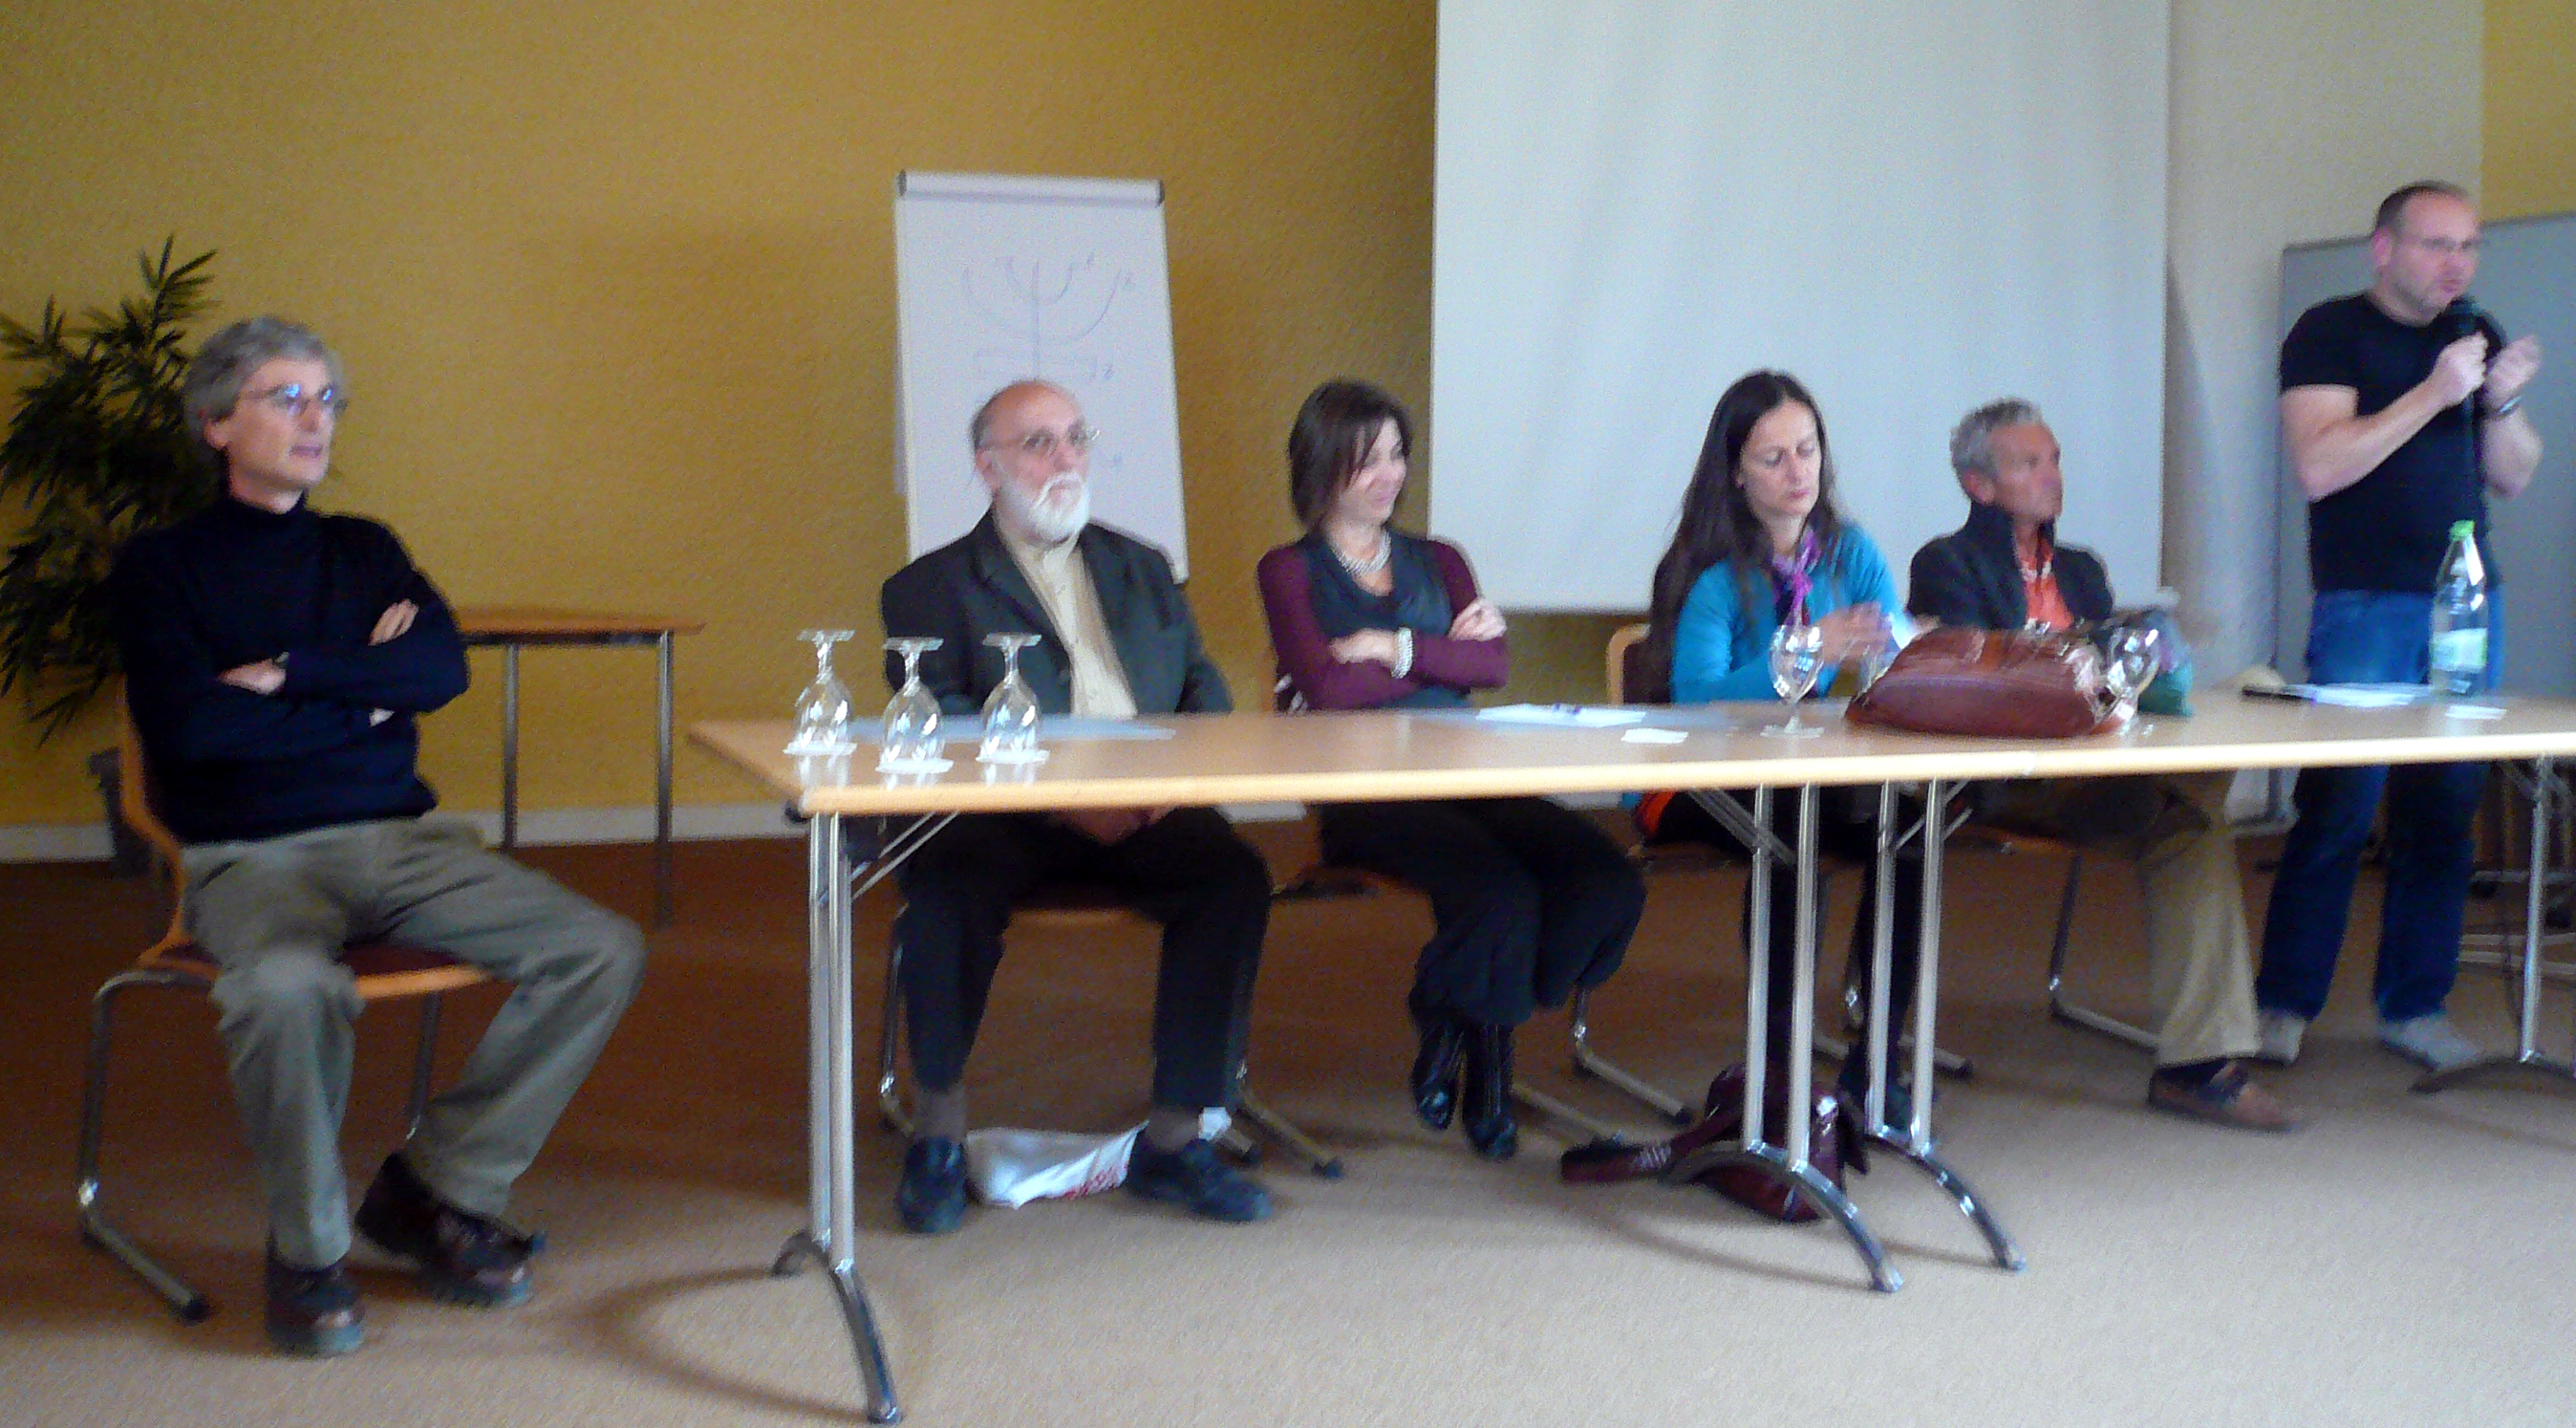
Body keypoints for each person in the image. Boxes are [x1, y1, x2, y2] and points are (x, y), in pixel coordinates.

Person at [107, 317, 648, 1356]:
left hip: (404, 843)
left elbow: (438, 671)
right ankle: (308, 1253)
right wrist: (363, 698)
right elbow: (193, 732)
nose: (316, 419)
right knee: (284, 988)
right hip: (249, 856)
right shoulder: (160, 566)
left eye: (327, 400)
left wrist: (290, 675)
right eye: (286, 398)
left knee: (599, 947)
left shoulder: (364, 549)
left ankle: (438, 1187)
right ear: (216, 422)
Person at [878, 379, 1272, 1233]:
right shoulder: (927, 587)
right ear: (989, 467)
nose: (1065, 460)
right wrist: (1064, 805)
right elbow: (943, 722)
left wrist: (1174, 785)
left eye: (1076, 438)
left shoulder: (1144, 566)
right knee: (943, 891)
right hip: (1004, 814)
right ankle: (937, 1134)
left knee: (1232, 879)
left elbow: (1201, 686)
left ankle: (1176, 1140)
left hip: (1144, 805)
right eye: (1038, 443)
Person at [1256, 379, 1645, 1161]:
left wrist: (1387, 649)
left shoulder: (1439, 559)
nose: (1390, 475)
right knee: (1501, 897)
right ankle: (1488, 1074)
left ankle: (1452, 1016)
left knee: (1607, 884)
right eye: (1368, 459)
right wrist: (1439, 661)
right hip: (1364, 790)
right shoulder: (1288, 570)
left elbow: (1492, 666)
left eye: (1397, 455)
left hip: (1466, 773)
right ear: (1322, 465)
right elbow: (1327, 690)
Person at [1909, 398, 2298, 1131]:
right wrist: (2077, 660)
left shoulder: (2082, 570)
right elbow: (1974, 679)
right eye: (2029, 463)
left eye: (2054, 459)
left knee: (2213, 776)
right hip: (2016, 780)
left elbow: (2118, 673)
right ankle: (2201, 1070)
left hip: (2106, 763)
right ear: (1978, 485)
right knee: (2193, 815)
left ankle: (2196, 1068)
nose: (2052, 476)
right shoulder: (1946, 563)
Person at [2259, 181, 2545, 1071]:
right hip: (2366, 604)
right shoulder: (2330, 330)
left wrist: (2498, 402)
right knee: (2339, 810)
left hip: (2466, 603)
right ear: (2384, 248)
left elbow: (2514, 476)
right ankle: (2283, 1004)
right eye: (2436, 244)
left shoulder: (2475, 332)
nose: (2457, 264)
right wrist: (2433, 392)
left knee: (2445, 815)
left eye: (2468, 246)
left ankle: (2415, 1006)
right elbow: (2318, 466)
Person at [1636, 370, 1918, 1115]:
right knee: (1792, 836)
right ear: (1735, 472)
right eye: (1774, 458)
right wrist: (1807, 649)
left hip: (1805, 770)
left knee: (1910, 836)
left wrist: (1897, 651)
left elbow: (1895, 652)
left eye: (1808, 449)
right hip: (1691, 777)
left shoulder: (1849, 552)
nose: (1799, 472)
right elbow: (1697, 700)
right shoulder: (1706, 572)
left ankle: (1877, 1062)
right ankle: (1779, 1067)